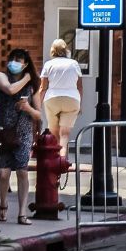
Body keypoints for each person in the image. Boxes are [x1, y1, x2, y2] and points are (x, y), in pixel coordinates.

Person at [0, 47, 43, 224]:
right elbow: (10, 90)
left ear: (26, 64)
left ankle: (22, 213)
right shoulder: (1, 77)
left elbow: (39, 115)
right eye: (13, 59)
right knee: (3, 174)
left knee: (22, 172)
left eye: (19, 60)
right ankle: (3, 205)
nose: (15, 62)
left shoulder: (33, 87)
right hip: (3, 132)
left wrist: (28, 108)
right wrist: (28, 77)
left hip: (23, 133)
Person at [40, 40, 83, 187]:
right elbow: (79, 86)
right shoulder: (74, 64)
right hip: (72, 99)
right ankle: (61, 163)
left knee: (54, 133)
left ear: (52, 51)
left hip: (52, 99)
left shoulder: (48, 65)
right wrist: (80, 103)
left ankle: (54, 163)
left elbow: (43, 87)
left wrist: (39, 104)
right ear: (66, 50)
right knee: (65, 134)